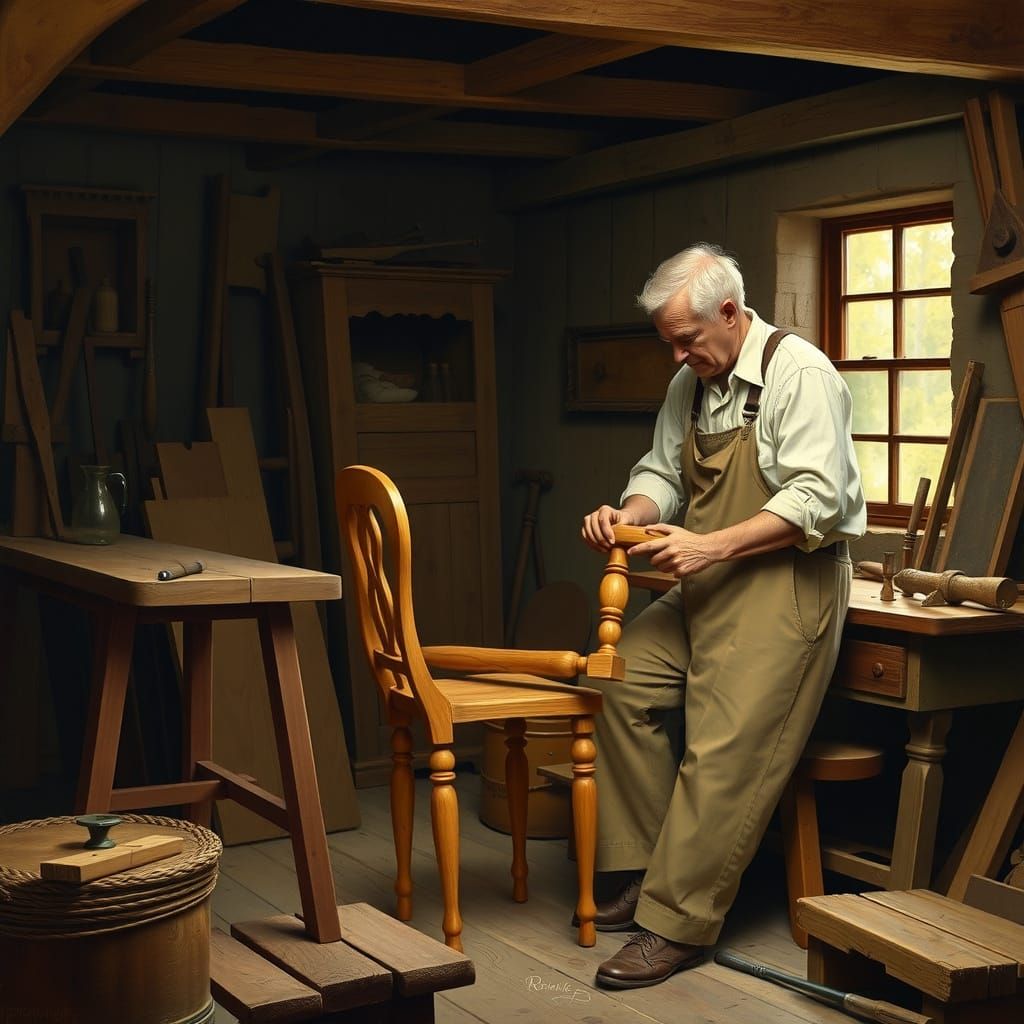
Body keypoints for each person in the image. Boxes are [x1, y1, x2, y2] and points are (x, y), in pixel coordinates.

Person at [580, 243, 866, 989]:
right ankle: (647, 867)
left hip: (786, 586)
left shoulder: (798, 374)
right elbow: (661, 472)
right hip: (713, 580)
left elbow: (816, 498)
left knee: (722, 745)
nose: (678, 355)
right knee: (620, 680)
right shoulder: (691, 379)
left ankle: (675, 926)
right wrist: (628, 515)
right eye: (669, 341)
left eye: (688, 339)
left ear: (732, 313)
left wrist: (709, 548)